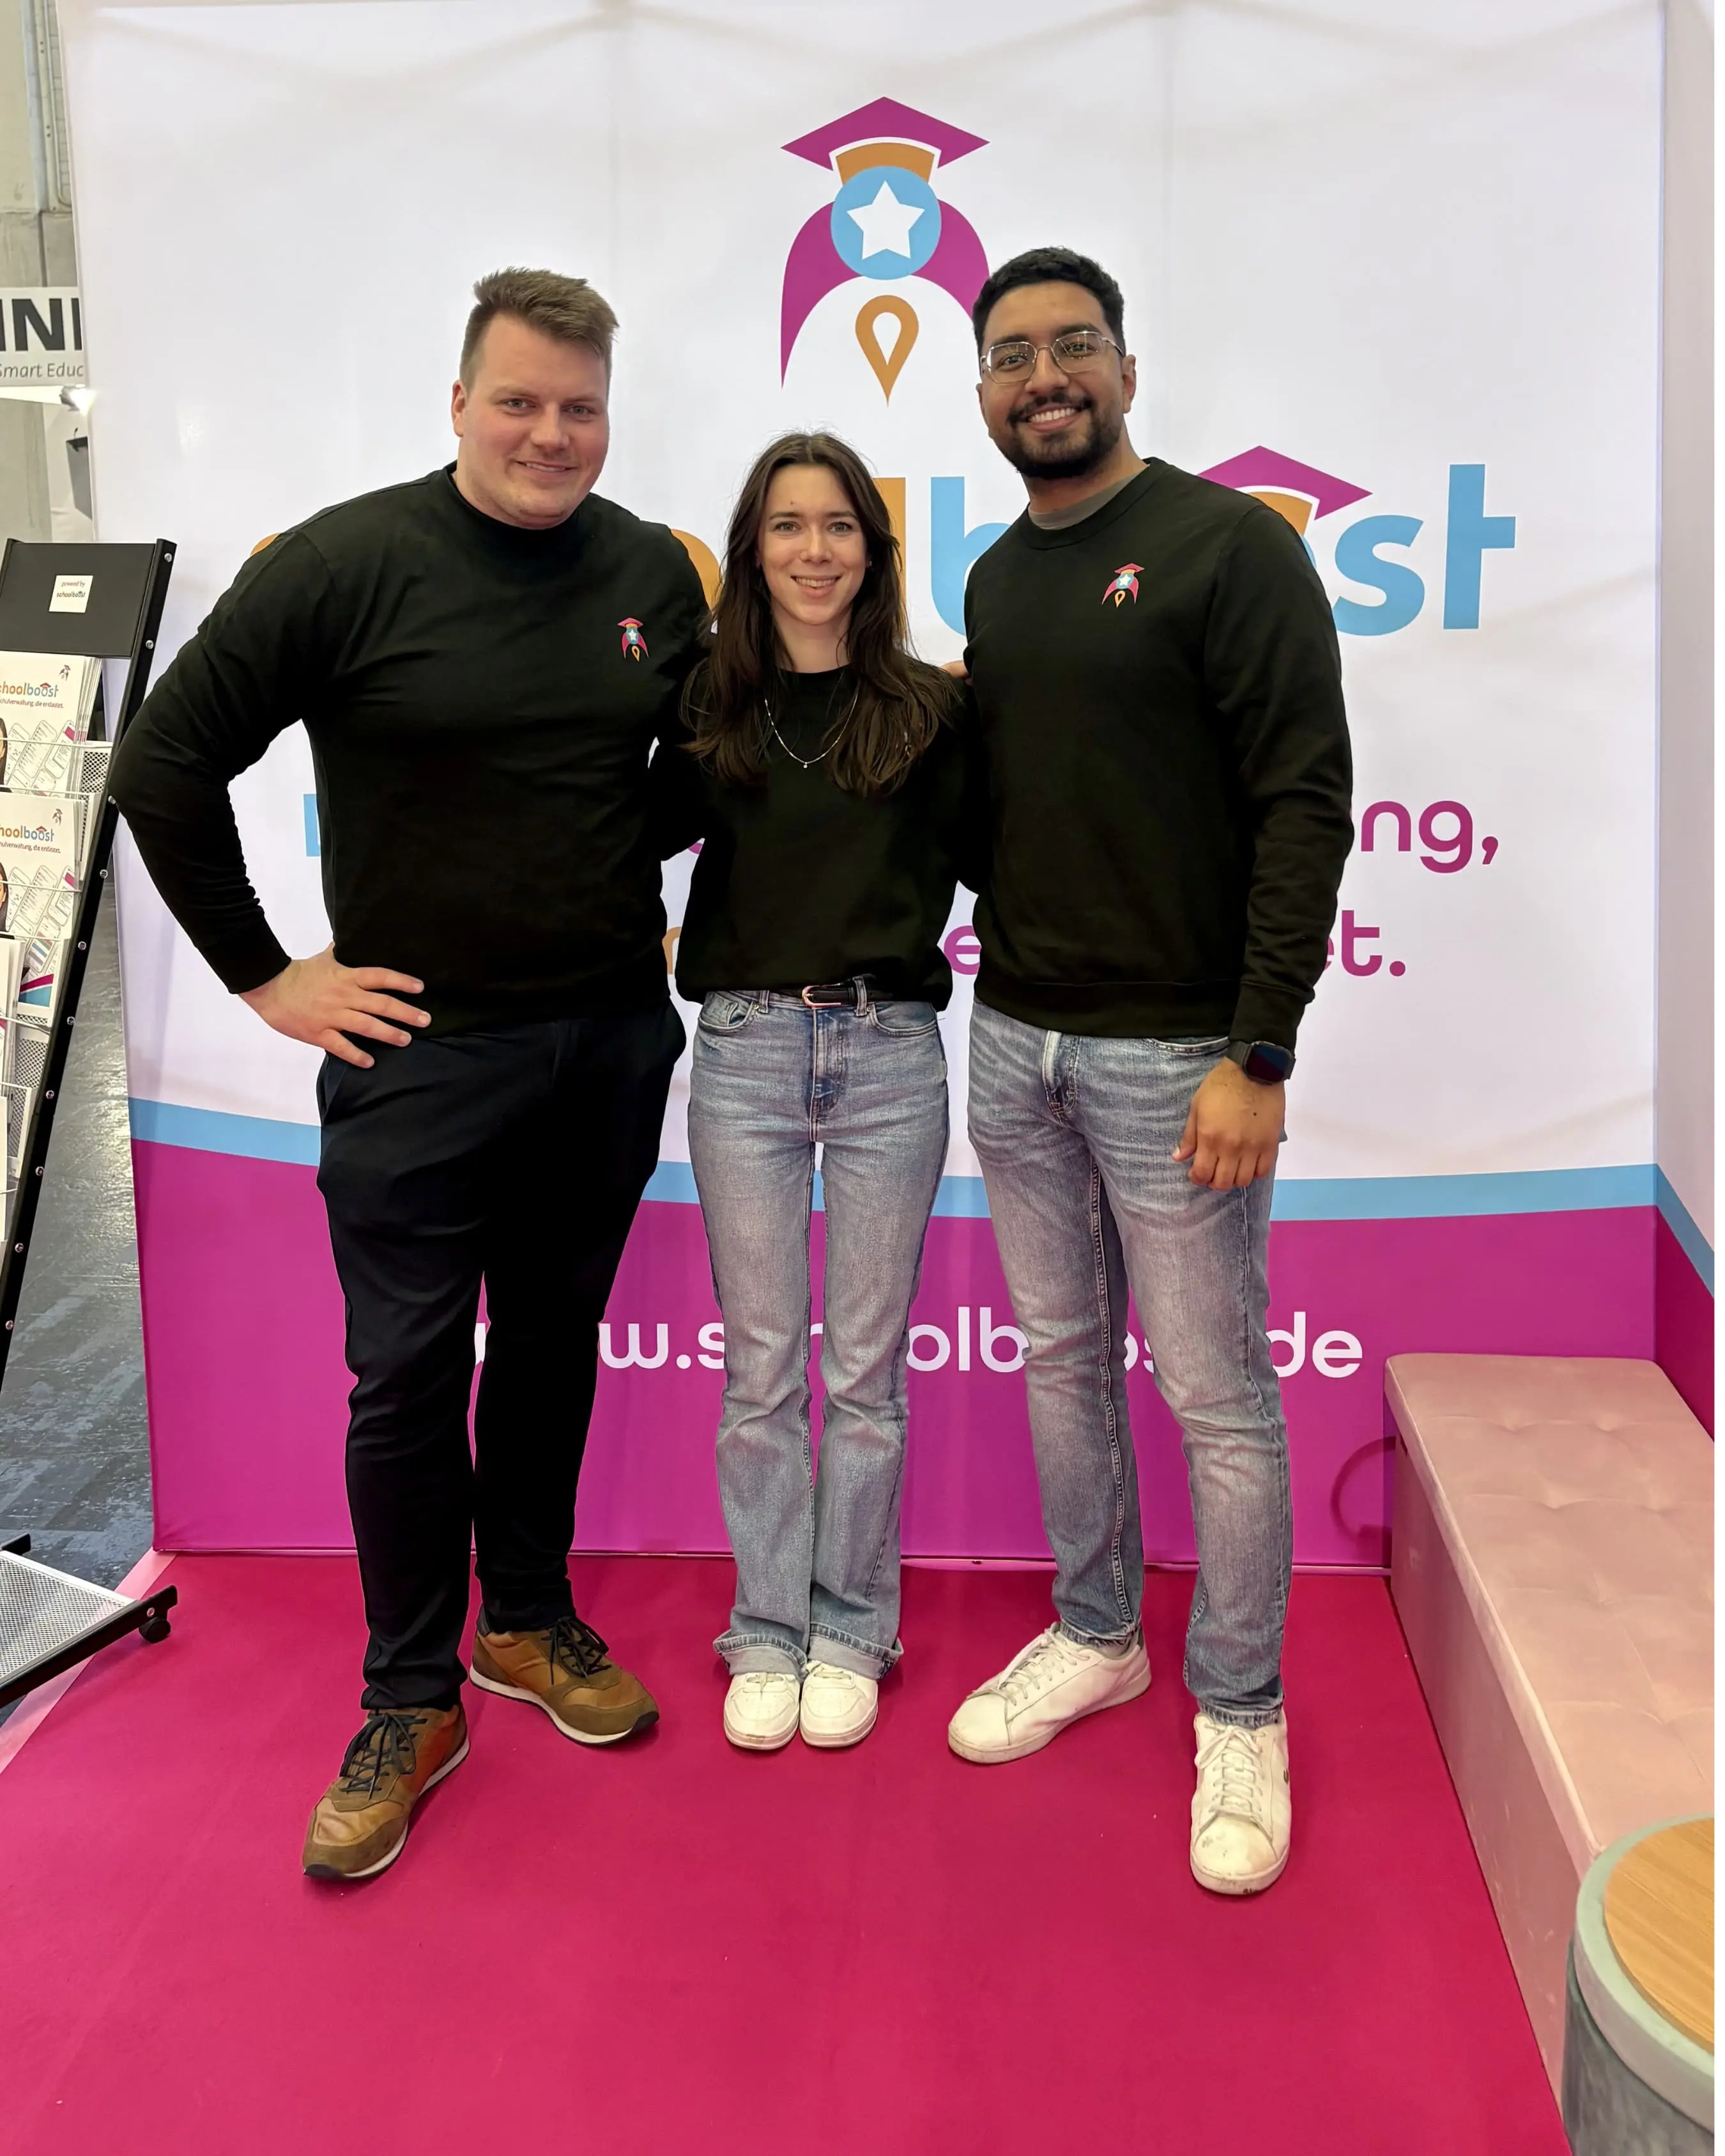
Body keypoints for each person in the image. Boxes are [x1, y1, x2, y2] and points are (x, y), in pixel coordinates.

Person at [110, 268, 706, 1880]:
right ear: (458, 404)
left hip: (605, 1042)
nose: (550, 433)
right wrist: (266, 975)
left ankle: (526, 1618)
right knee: (408, 1380)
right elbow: (164, 761)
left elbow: (672, 783)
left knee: (553, 1348)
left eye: (579, 408)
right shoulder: (343, 564)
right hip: (419, 1059)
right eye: (518, 401)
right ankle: (410, 1696)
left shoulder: (653, 572)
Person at [944, 247, 1353, 1895]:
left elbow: (1303, 801)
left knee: (1218, 1396)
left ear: (1125, 368)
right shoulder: (996, 579)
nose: (1043, 377)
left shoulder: (1229, 548)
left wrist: (1259, 1049)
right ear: (984, 391)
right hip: (1014, 1039)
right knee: (1061, 1362)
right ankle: (1099, 1632)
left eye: (1073, 347)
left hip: (1182, 1056)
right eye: (1013, 355)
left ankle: (1241, 1707)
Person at [653, 432, 975, 1753]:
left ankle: (851, 1628)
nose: (814, 550)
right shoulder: (708, 707)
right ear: (752, 551)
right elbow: (610, 835)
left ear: (873, 549)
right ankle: (766, 1627)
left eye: (838, 525)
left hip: (891, 1055)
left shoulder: (931, 711)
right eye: (787, 526)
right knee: (764, 1371)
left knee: (867, 1376)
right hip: (744, 1056)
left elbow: (1013, 852)